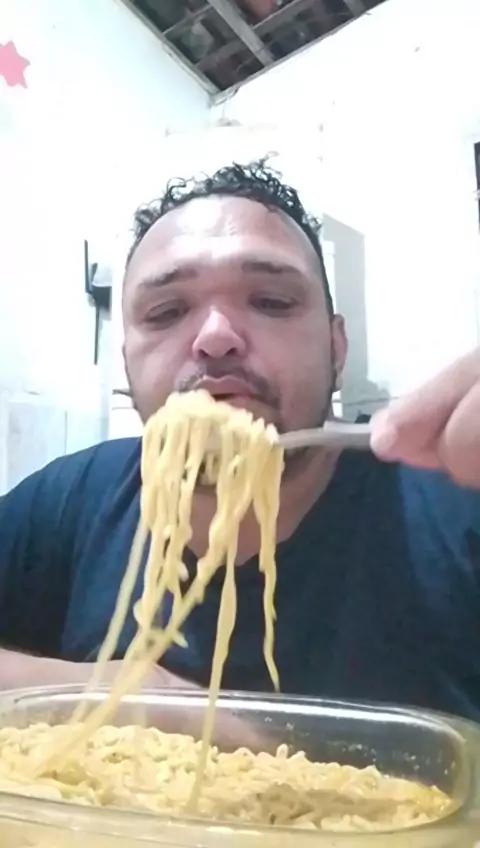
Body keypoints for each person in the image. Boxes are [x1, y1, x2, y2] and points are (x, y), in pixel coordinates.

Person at [0, 160, 479, 720]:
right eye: (167, 311)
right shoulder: (73, 499)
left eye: (271, 301)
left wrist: (196, 720)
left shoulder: (452, 504)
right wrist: (122, 692)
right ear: (127, 363)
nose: (215, 337)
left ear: (336, 347)